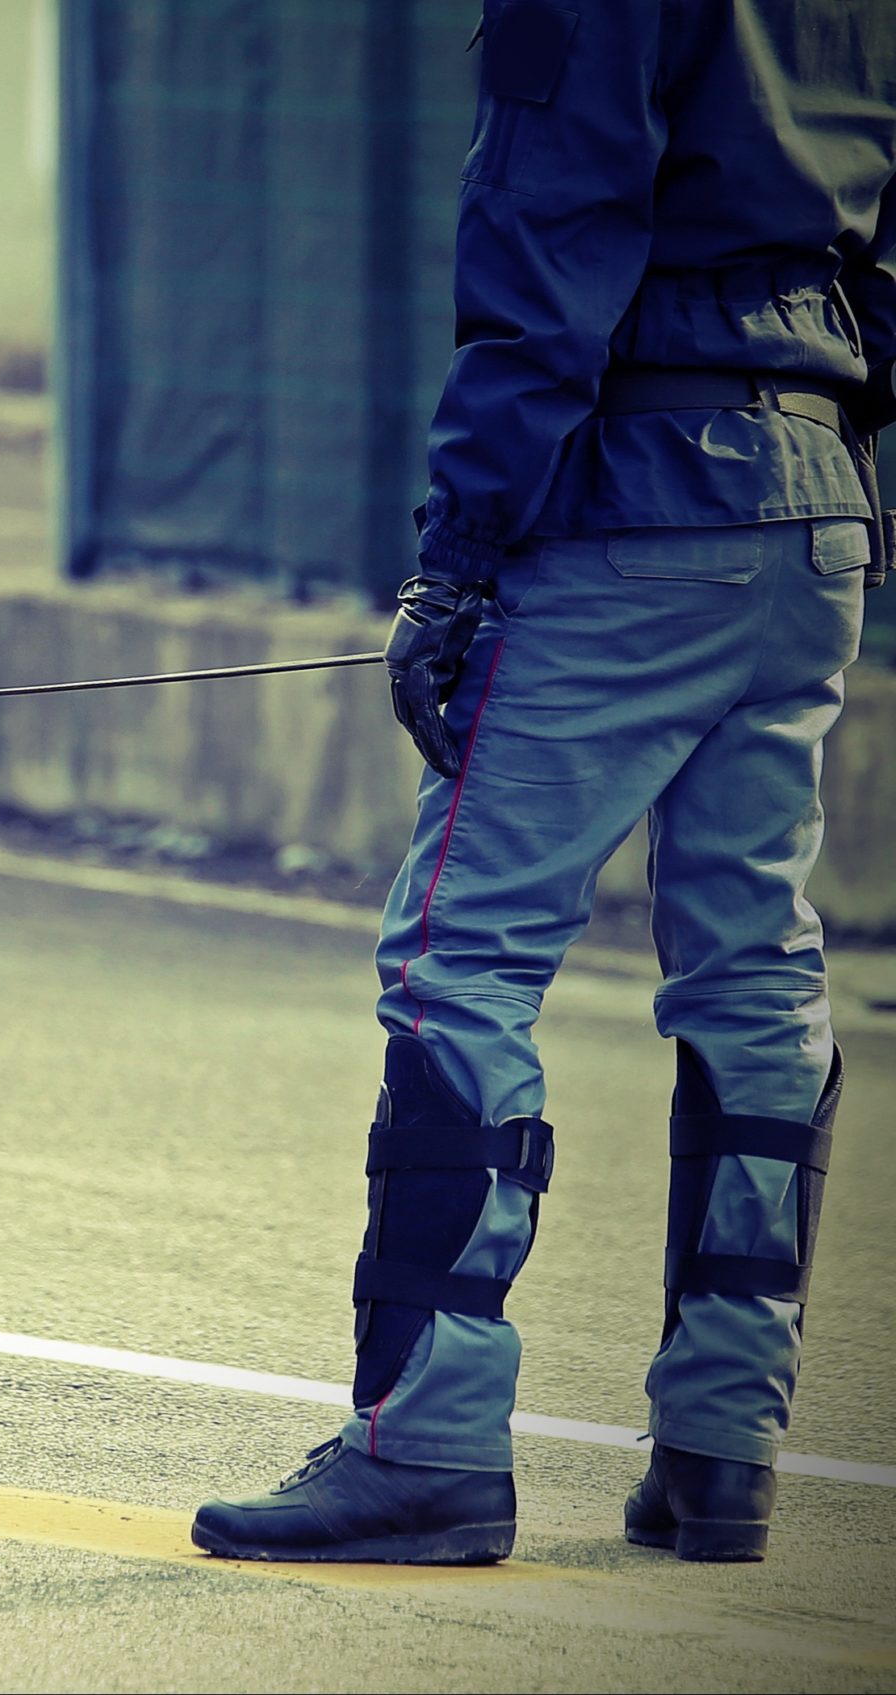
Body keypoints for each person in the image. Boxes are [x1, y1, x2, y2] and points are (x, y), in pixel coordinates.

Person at [193, 0, 893, 1565]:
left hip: (629, 505)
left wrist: (456, 558)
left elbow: (550, 230)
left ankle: (426, 1444)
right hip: (816, 511)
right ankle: (724, 1450)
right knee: (755, 968)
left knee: (462, 963)